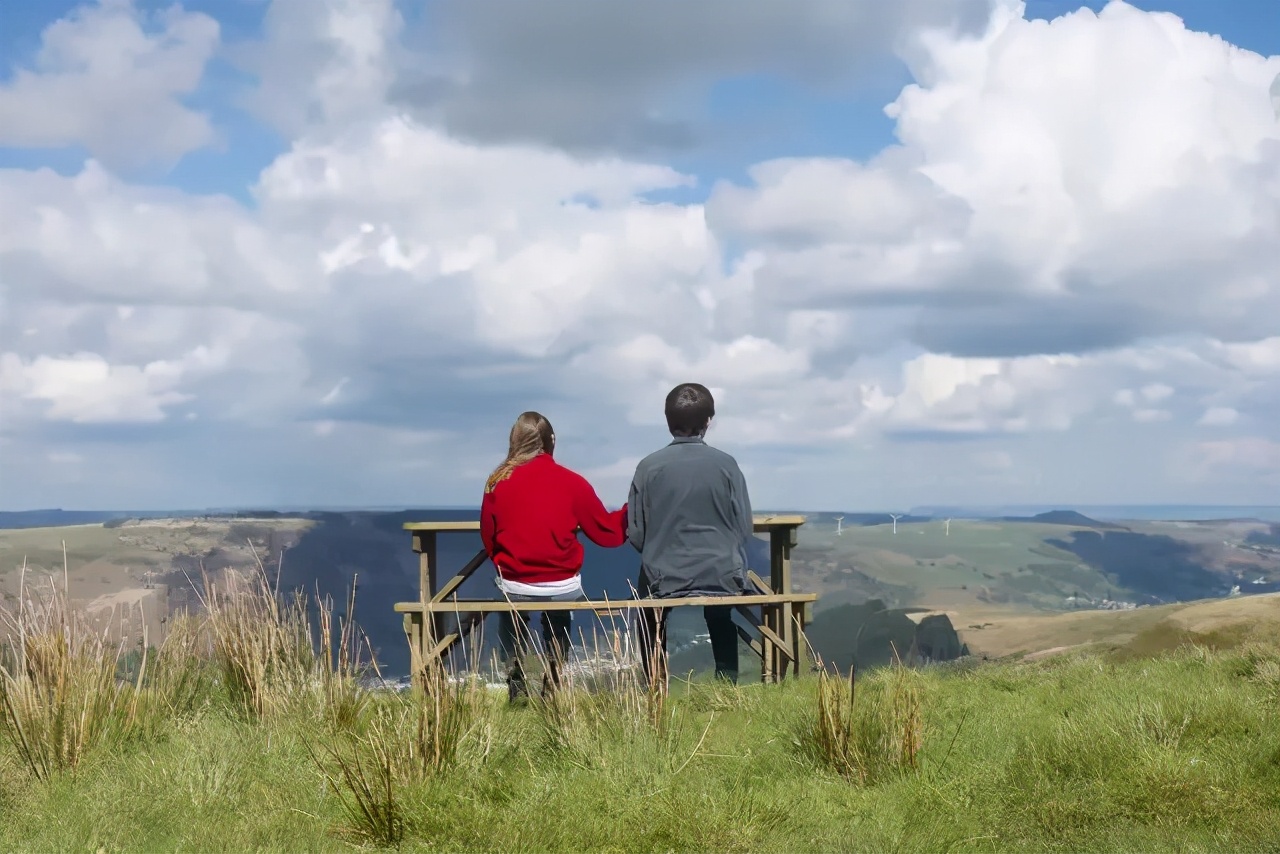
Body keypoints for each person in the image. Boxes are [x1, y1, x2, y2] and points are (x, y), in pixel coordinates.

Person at [480, 411, 627, 700]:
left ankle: (517, 681)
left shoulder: (497, 482)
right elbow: (606, 532)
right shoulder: (572, 482)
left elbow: (488, 536)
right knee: (558, 614)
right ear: (551, 443)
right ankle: (554, 677)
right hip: (562, 585)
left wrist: (506, 562)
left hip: (515, 584)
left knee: (509, 614)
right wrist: (630, 511)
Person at [627, 383, 754, 687]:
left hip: (664, 574)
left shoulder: (648, 467)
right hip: (722, 572)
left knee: (650, 613)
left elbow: (636, 533)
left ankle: (656, 685)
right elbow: (744, 527)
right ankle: (727, 684)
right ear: (708, 421)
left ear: (668, 422)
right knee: (721, 613)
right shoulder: (727, 465)